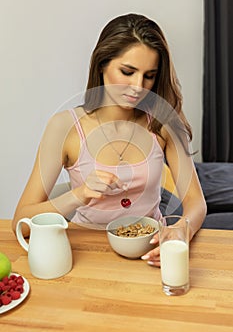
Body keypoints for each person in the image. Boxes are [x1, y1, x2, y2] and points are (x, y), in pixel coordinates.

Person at [12, 13, 207, 266]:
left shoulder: (163, 122)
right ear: (102, 64)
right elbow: (21, 222)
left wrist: (183, 228)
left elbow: (196, 202)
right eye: (127, 72)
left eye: (149, 75)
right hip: (87, 256)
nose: (138, 86)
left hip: (150, 252)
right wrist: (79, 195)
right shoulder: (64, 127)